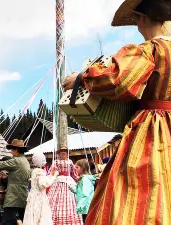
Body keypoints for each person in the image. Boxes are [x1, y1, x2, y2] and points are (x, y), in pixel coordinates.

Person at [62, 0, 171, 224]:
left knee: (136, 186)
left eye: (136, 20)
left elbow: (117, 79)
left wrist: (81, 78)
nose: (137, 26)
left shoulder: (151, 49)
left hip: (154, 127)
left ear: (142, 19)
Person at [0, 139, 31, 225]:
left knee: (7, 220)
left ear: (16, 150)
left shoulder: (16, 160)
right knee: (24, 219)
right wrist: (9, 176)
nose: (11, 152)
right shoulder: (25, 161)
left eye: (12, 149)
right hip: (22, 194)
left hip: (14, 195)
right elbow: (19, 176)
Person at [47, 146, 82, 225]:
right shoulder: (55, 162)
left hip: (68, 181)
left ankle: (70, 218)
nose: (63, 152)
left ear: (67, 153)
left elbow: (73, 173)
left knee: (70, 199)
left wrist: (78, 179)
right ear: (59, 153)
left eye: (65, 151)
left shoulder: (70, 162)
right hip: (58, 181)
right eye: (62, 151)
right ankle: (54, 218)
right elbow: (51, 172)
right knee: (55, 199)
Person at [23, 152, 59, 225]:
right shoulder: (40, 171)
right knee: (39, 215)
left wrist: (50, 175)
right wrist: (54, 176)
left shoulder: (34, 171)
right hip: (39, 197)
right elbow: (43, 185)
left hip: (33, 196)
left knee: (33, 215)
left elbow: (42, 180)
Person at [69, 159, 97, 224]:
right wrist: (73, 188)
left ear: (83, 168)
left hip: (86, 207)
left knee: (87, 222)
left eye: (77, 167)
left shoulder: (85, 179)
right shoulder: (83, 179)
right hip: (85, 207)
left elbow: (85, 194)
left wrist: (80, 206)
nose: (75, 169)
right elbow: (80, 191)